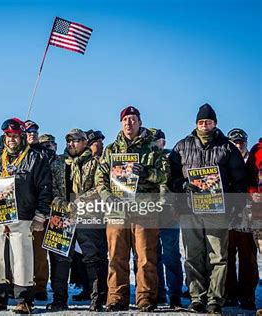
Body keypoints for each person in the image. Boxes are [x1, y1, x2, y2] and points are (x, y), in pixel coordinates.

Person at [169, 103, 246, 314]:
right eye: (201, 122)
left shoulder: (227, 148)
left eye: (209, 122)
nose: (205, 125)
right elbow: (171, 178)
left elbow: (239, 181)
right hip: (190, 210)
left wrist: (234, 208)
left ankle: (215, 300)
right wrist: (181, 186)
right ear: (196, 124)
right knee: (193, 255)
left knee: (217, 257)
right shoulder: (181, 146)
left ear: (215, 123)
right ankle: (197, 297)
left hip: (218, 211)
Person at [95, 106, 169, 312]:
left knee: (146, 257)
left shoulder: (152, 149)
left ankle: (145, 298)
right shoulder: (111, 150)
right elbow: (100, 178)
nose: (129, 123)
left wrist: (145, 172)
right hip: (117, 210)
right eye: (126, 119)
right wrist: (108, 197)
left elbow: (164, 176)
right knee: (117, 257)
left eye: (133, 119)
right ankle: (116, 297)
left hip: (144, 209)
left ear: (140, 122)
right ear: (121, 123)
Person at [0, 118, 52, 313]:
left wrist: (40, 215)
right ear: (4, 137)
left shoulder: (35, 158)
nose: (12, 140)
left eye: (16, 136)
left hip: (23, 216)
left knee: (22, 258)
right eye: (8, 136)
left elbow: (45, 188)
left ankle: (24, 301)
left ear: (22, 137)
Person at [47, 128, 107, 312]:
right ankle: (59, 300)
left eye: (75, 140)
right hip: (61, 215)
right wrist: (61, 203)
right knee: (59, 259)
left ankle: (97, 298)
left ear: (84, 142)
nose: (71, 144)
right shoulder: (57, 162)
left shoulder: (95, 162)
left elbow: (99, 187)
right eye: (68, 141)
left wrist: (78, 202)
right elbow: (51, 186)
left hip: (87, 214)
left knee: (92, 258)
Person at [149, 128, 183, 308]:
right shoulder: (145, 159)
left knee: (170, 255)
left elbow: (179, 183)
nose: (155, 143)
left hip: (169, 211)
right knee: (151, 254)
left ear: (164, 141)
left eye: (158, 140)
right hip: (148, 211)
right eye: (151, 141)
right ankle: (157, 292)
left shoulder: (173, 159)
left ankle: (175, 294)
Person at [224, 128, 258, 310]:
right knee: (227, 254)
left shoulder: (251, 161)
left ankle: (247, 295)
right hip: (227, 213)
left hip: (248, 215)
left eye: (241, 142)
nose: (238, 145)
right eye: (234, 142)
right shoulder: (224, 159)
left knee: (248, 256)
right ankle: (229, 293)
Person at [24, 119, 50, 301]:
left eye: (34, 130)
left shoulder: (45, 154)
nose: (31, 133)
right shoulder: (14, 154)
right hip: (19, 209)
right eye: (28, 130)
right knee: (17, 251)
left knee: (40, 251)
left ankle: (40, 286)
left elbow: (49, 184)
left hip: (39, 208)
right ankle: (16, 283)